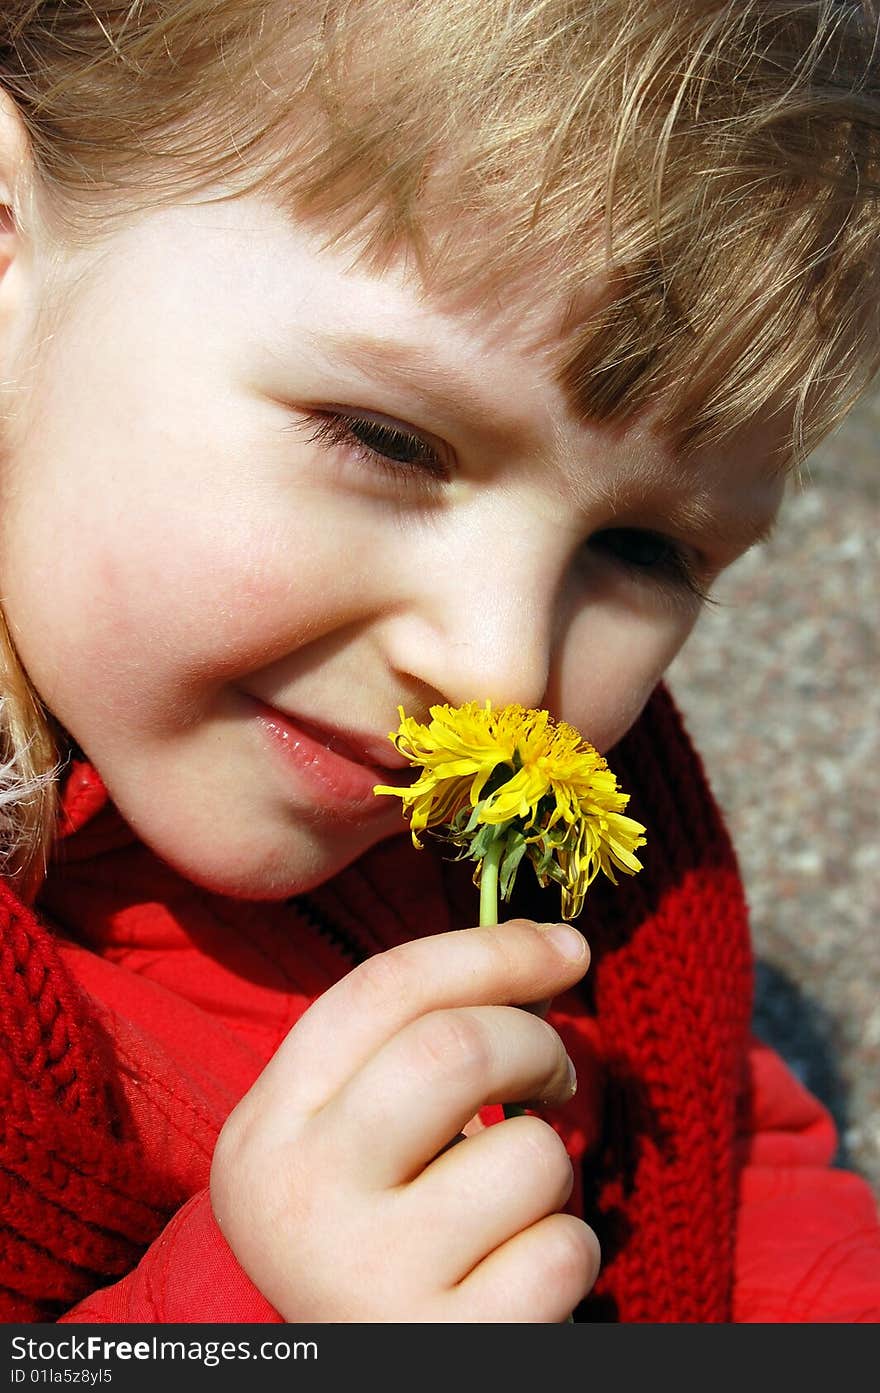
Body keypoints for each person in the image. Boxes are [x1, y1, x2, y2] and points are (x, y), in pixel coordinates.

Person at [0, 0, 878, 1325]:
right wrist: (257, 1314)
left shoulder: (538, 862)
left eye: (639, 549)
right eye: (387, 438)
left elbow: (725, 1155)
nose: (500, 667)